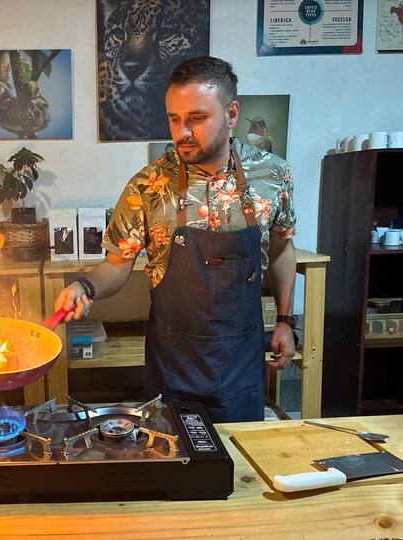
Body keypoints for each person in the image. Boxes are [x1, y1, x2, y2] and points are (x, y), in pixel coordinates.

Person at [55, 56, 297, 423]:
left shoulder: (273, 175)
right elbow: (116, 265)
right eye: (174, 118)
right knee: (171, 451)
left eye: (196, 118)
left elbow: (280, 249)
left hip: (241, 364)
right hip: (173, 367)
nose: (182, 132)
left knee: (237, 455)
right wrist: (84, 285)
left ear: (231, 114)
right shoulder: (148, 185)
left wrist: (285, 320)